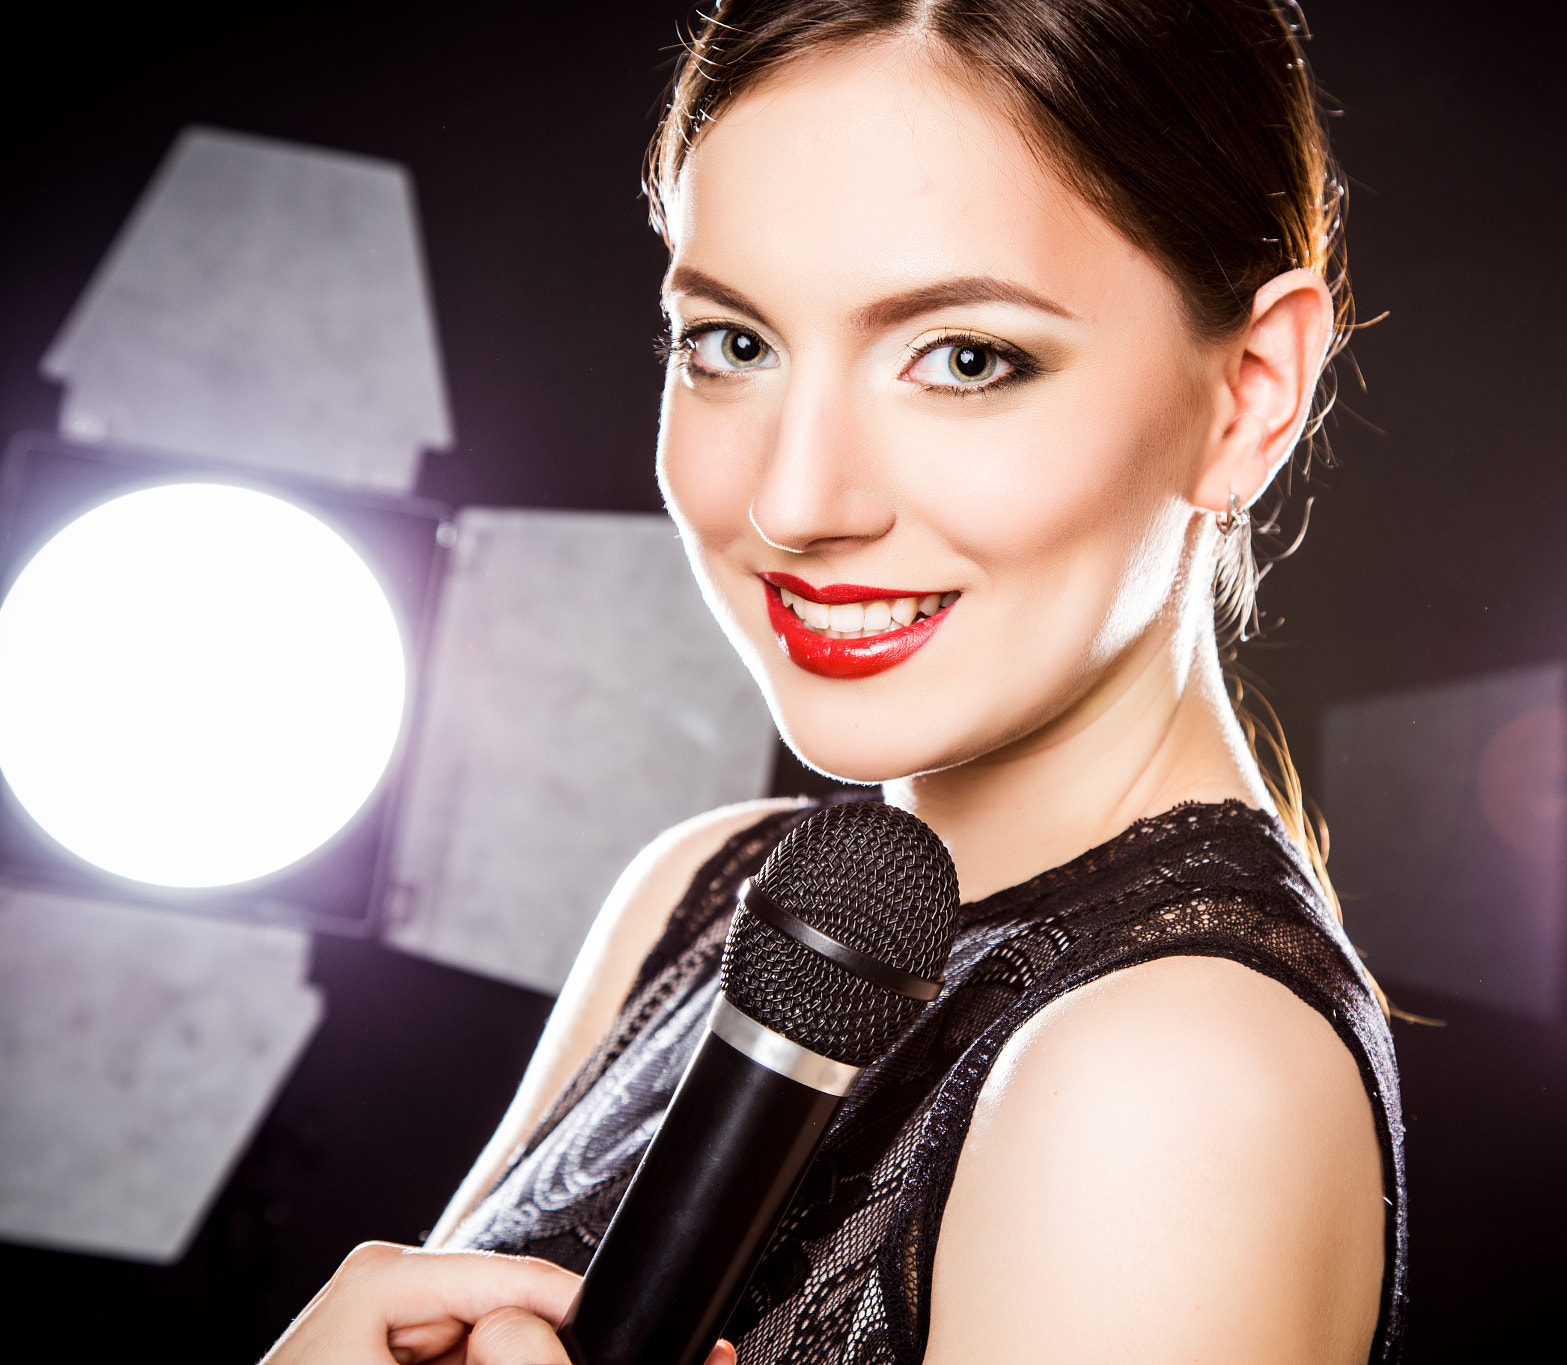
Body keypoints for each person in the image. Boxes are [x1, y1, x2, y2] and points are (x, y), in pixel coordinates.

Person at [262, 1, 1404, 1361]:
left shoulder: (1173, 1080)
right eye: (732, 344)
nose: (797, 501)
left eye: (966, 359)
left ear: (1251, 391)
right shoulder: (706, 895)